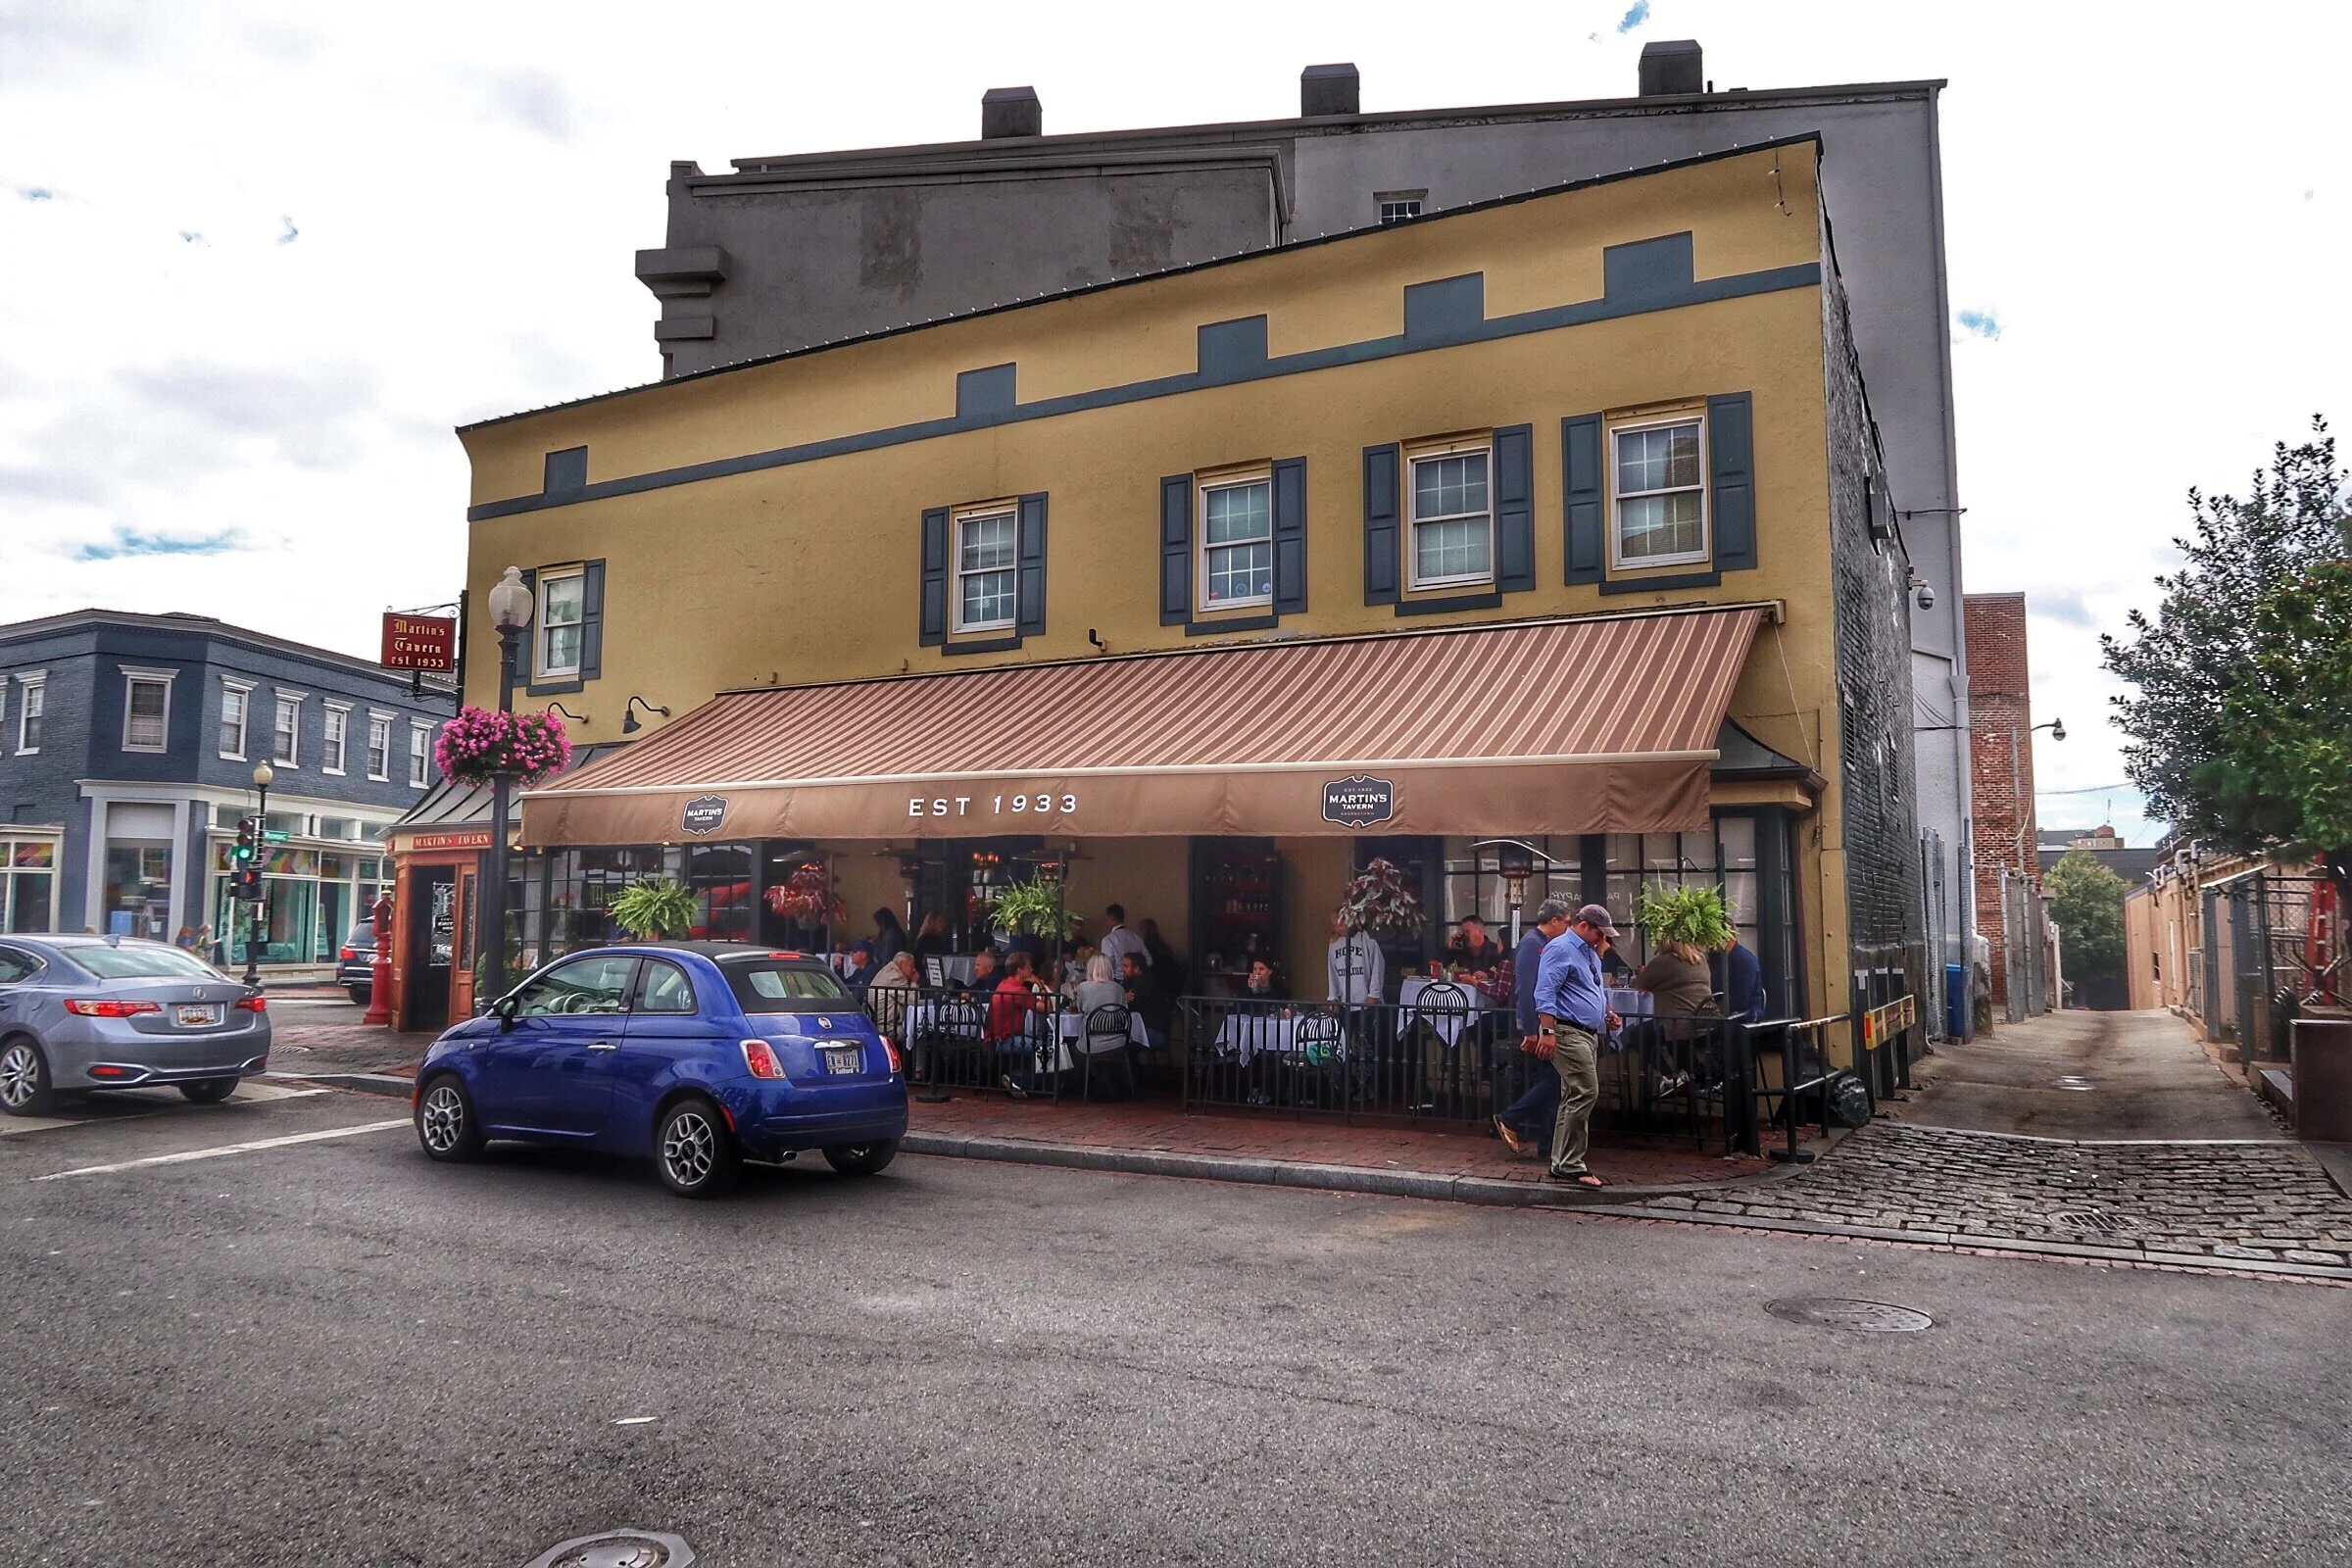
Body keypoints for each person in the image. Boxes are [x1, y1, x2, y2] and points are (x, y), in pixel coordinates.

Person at [1532, 904, 1620, 1188]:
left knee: (1573, 1094)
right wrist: (1547, 1031)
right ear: (1584, 926)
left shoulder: (1589, 952)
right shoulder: (1560, 948)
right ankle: (1571, 1164)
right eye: (1600, 933)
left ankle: (1561, 1162)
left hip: (1586, 1033)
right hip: (1567, 1032)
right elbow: (1545, 991)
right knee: (1585, 1090)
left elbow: (1591, 988)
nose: (1603, 940)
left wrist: (1607, 1013)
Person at [1494, 899, 1574, 1156]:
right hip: (1539, 1024)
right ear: (1554, 921)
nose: (1569, 927)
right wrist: (1530, 1029)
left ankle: (1547, 1145)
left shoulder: (1545, 944)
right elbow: (1526, 989)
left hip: (1546, 1023)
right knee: (1553, 1080)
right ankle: (1510, 1118)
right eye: (1567, 922)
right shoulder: (1532, 944)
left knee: (1554, 1082)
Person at [990, 950, 1053, 1098]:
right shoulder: (1018, 991)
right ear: (1020, 970)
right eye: (1029, 967)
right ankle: (1021, 1081)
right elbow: (1048, 1008)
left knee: (1035, 1041)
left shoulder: (1004, 984)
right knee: (1045, 1046)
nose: (1031, 969)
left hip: (995, 1037)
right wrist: (1040, 984)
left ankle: (1018, 1077)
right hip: (1005, 1040)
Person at [1119, 950, 1173, 1054]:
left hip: (1154, 1033)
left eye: (1126, 966)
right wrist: (1123, 996)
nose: (1122, 969)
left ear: (1136, 969)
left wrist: (1121, 998)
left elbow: (1131, 1005)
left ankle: (1130, 1069)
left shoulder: (1143, 982)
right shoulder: (1134, 979)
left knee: (1118, 1040)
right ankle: (1133, 1069)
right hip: (1148, 1028)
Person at [1326, 916, 1385, 1004]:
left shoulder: (1367, 938)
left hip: (1366, 1001)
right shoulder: (1334, 943)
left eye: (1341, 925)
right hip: (1344, 1001)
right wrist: (1333, 997)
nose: (1338, 929)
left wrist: (1374, 994)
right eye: (1335, 926)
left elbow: (1377, 966)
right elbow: (1332, 972)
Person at [1714, 932, 1768, 1023]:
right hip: (1722, 1012)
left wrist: (1718, 1007)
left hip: (1745, 1015)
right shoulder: (1718, 958)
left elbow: (1742, 998)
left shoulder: (1744, 960)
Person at [864, 951, 920, 1040]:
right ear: (901, 964)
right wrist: (914, 982)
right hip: (888, 1029)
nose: (913, 970)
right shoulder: (897, 977)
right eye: (911, 966)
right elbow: (913, 1000)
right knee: (918, 1033)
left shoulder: (887, 970)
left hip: (876, 1025)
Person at [1443, 916, 1503, 980]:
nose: (1464, 936)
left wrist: (1488, 976)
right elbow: (1442, 970)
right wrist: (1449, 948)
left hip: (1485, 989)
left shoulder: (1496, 951)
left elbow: (1504, 978)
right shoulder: (1459, 952)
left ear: (1480, 931)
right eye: (1463, 932)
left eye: (1467, 932)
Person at [1140, 917, 1187, 997]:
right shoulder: (1163, 946)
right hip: (1171, 985)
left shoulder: (1149, 949)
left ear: (1144, 932)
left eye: (1140, 931)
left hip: (1160, 987)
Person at [1099, 905, 1147, 976]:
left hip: (1118, 982)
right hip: (1138, 981)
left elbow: (1106, 967)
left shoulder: (1108, 940)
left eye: (1106, 919)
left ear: (1111, 918)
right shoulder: (1137, 937)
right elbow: (1148, 961)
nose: (1105, 922)